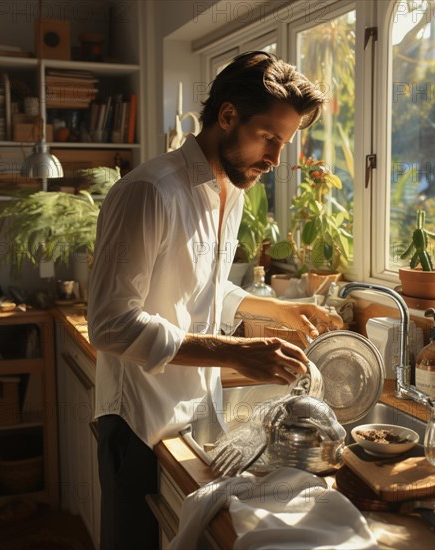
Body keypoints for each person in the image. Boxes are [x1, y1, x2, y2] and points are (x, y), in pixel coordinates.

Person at [87, 51, 342, 550]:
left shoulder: (231, 189)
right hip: (138, 421)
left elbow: (204, 286)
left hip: (191, 414)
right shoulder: (148, 192)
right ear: (227, 116)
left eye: (282, 144)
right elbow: (111, 324)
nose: (273, 158)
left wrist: (278, 310)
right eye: (268, 138)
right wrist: (234, 351)